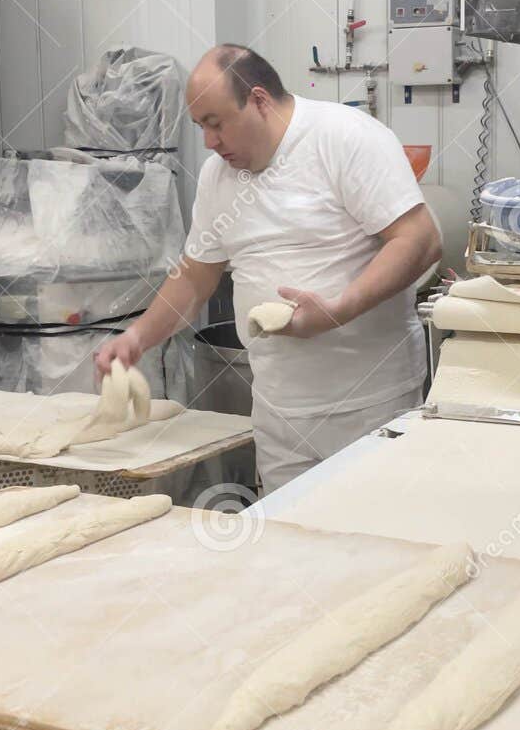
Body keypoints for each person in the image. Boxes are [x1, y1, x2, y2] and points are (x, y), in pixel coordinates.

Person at [96, 45, 441, 494]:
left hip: (369, 405)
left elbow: (420, 240)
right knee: (290, 550)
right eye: (200, 127)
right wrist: (136, 338)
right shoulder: (218, 177)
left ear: (259, 100)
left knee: (377, 547)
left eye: (216, 124)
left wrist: (339, 309)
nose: (210, 142)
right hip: (280, 414)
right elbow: (197, 275)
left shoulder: (344, 138)